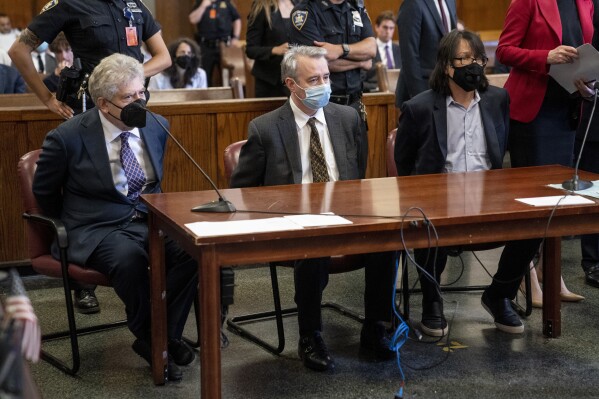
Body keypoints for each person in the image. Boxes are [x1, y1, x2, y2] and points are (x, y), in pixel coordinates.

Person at [32, 53, 198, 381]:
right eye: (128, 97)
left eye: (141, 94)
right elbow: (44, 192)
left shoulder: (158, 125)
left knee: (193, 250)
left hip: (148, 219)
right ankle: (156, 339)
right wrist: (70, 225)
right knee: (130, 259)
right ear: (103, 104)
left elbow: (155, 184)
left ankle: (162, 337)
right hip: (97, 227)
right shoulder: (67, 137)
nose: (140, 103)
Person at [230, 45, 396, 372]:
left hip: (347, 215)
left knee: (387, 238)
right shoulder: (265, 129)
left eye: (326, 77)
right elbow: (242, 191)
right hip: (295, 223)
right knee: (312, 243)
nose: (323, 85)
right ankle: (311, 335)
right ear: (291, 84)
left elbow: (356, 174)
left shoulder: (348, 118)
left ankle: (376, 326)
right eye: (313, 79)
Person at [395, 29, 531, 336]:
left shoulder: (498, 99)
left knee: (536, 224)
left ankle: (499, 295)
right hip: (439, 197)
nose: (473, 66)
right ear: (446, 66)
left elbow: (501, 149)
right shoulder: (418, 108)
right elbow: (405, 165)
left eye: (478, 59)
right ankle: (432, 300)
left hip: (490, 196)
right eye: (463, 59)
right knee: (425, 217)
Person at [496, 0, 592, 297]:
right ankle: (524, 274)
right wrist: (545, 57)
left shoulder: (585, 2)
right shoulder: (528, 1)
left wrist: (588, 81)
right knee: (535, 203)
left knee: (559, 201)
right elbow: (503, 51)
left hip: (566, 110)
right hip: (532, 115)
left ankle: (551, 273)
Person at [8, 0, 171, 119]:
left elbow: (164, 57)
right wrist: (48, 99)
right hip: (92, 106)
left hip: (135, 103)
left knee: (133, 159)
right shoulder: (68, 4)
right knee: (96, 164)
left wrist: (128, 77)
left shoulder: (134, 4)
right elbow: (18, 51)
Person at [288, 0, 375, 179]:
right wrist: (360, 60)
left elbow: (372, 49)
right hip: (322, 107)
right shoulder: (304, 12)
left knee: (356, 177)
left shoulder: (356, 6)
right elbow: (314, 65)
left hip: (354, 107)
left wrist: (340, 50)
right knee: (323, 175)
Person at [395, 0, 457, 109]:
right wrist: (420, 98)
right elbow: (409, 56)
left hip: (446, 92)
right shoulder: (412, 3)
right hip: (420, 92)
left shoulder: (450, 1)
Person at [246, 0, 294, 97]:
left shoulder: (301, 4)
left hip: (297, 79)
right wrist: (275, 50)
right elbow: (250, 49)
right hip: (270, 82)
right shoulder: (261, 6)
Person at [189, 0, 242, 87]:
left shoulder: (226, 2)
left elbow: (237, 19)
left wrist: (236, 37)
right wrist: (203, 6)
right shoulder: (200, 2)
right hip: (206, 45)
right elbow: (192, 19)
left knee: (226, 76)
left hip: (224, 46)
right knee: (204, 74)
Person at [363, 10, 402, 93]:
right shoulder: (368, 49)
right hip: (375, 93)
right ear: (377, 27)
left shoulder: (400, 50)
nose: (388, 32)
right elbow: (360, 81)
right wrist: (379, 87)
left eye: (391, 28)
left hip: (398, 92)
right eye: (385, 27)